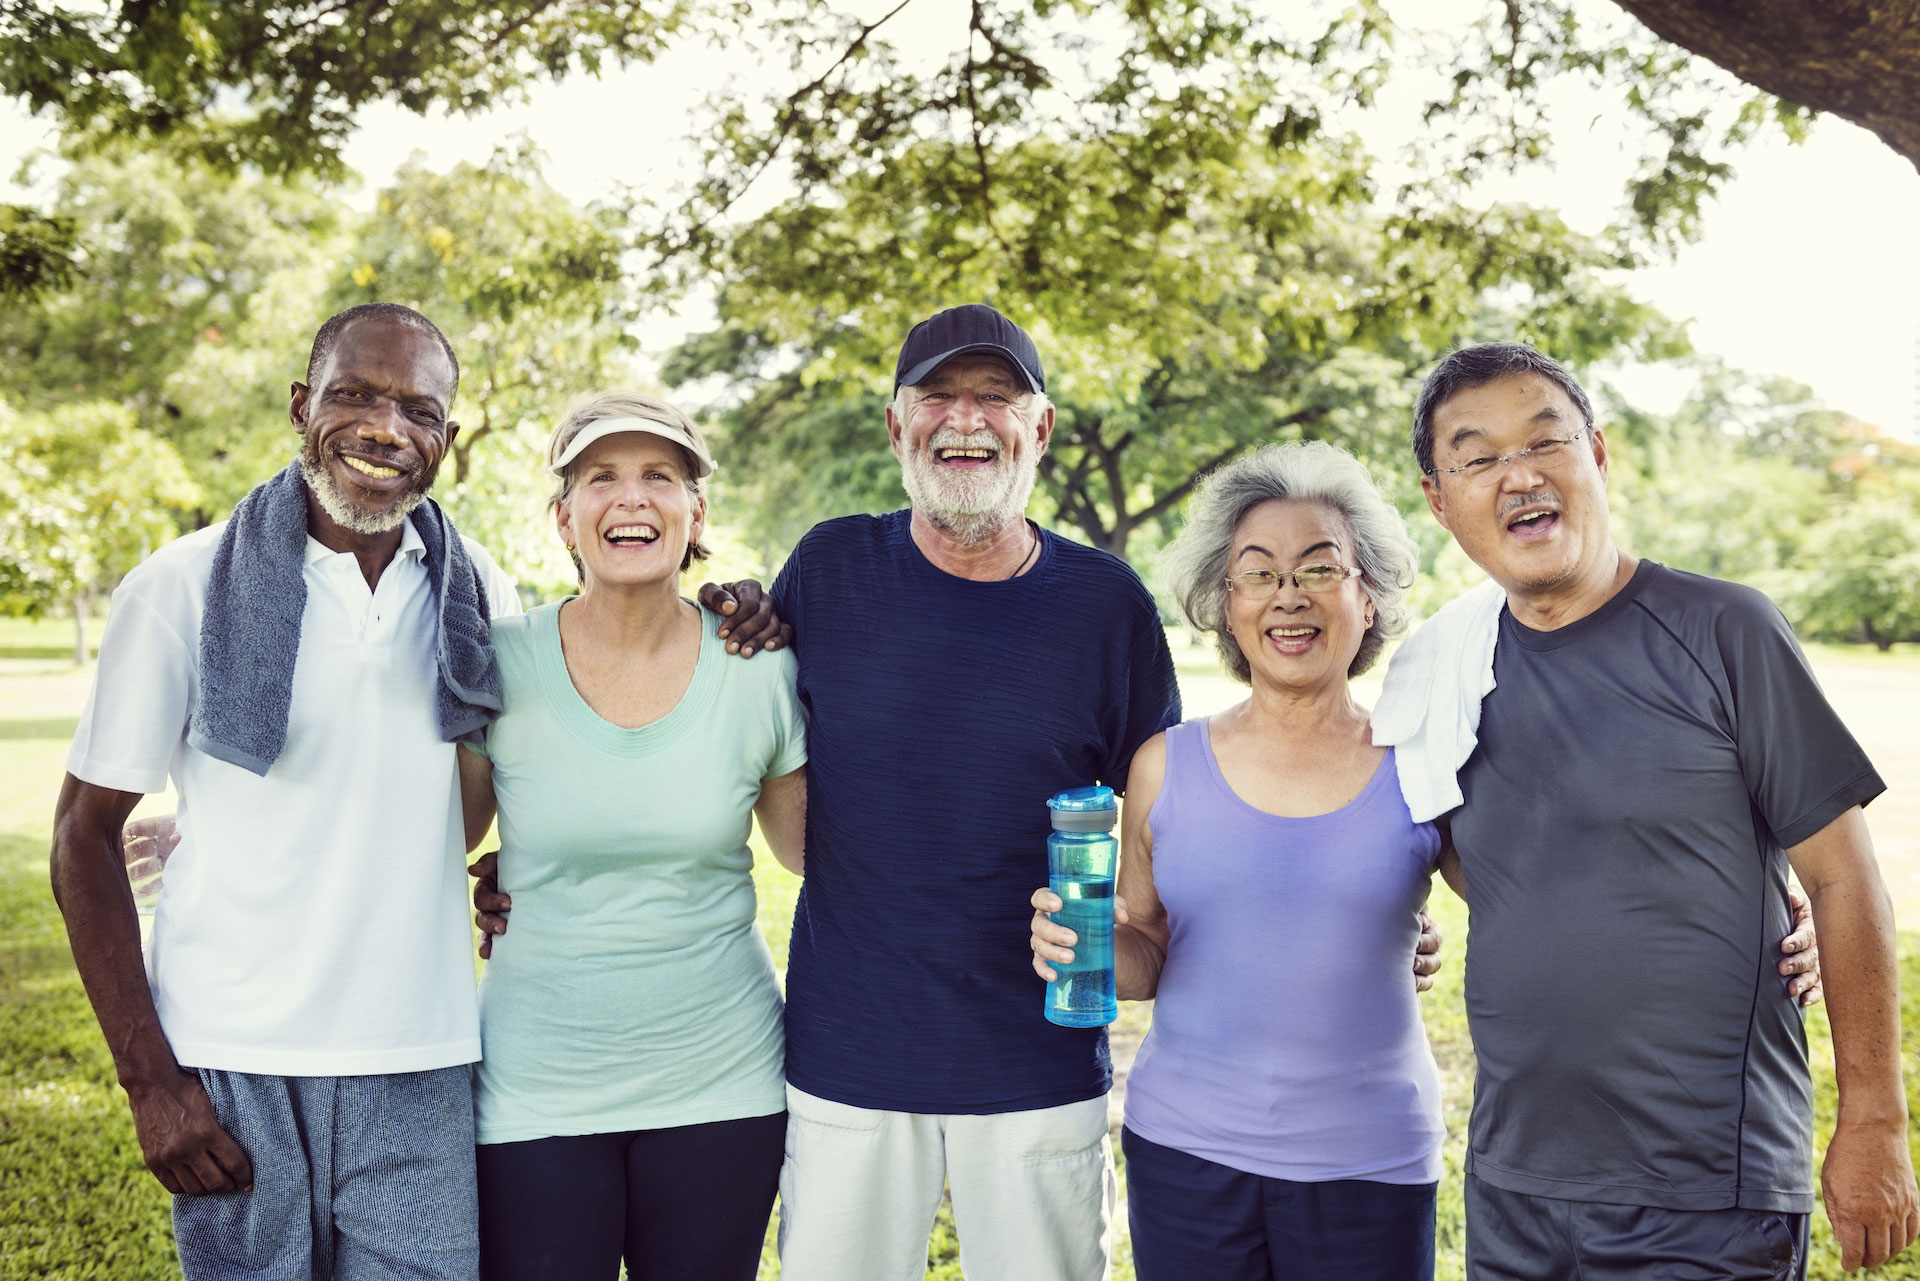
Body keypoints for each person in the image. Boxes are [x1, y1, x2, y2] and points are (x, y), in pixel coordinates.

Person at [1398, 341, 1916, 1278]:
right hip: (1516, 1181)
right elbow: (1463, 854)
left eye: (1545, 442)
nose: (1519, 476)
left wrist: (1875, 1118)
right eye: (1478, 458)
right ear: (1441, 499)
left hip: (1707, 1191)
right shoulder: (1443, 671)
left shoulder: (1725, 629)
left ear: (1597, 455)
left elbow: (1842, 877)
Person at [49, 303, 518, 1281]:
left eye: (417, 410)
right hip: (232, 1061)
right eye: (354, 395)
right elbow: (82, 837)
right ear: (302, 406)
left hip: (421, 1055)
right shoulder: (181, 585)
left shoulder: (479, 589)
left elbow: (475, 804)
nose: (385, 429)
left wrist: (511, 864)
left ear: (448, 439)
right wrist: (151, 1083)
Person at [1030, 441, 1447, 1280]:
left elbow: (1531, 900)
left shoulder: (1426, 764)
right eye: (1258, 573)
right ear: (1226, 604)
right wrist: (1087, 943)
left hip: (1371, 1160)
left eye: (1320, 568)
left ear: (1368, 597)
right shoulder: (1161, 765)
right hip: (1186, 1153)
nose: (1288, 594)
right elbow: (1146, 948)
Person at [456, 393, 806, 1281]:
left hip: (722, 1077)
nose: (632, 499)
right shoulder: (497, 663)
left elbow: (814, 853)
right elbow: (434, 836)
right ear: (564, 518)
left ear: (697, 516)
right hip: (536, 1082)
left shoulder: (759, 669)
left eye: (661, 476)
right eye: (600, 478)